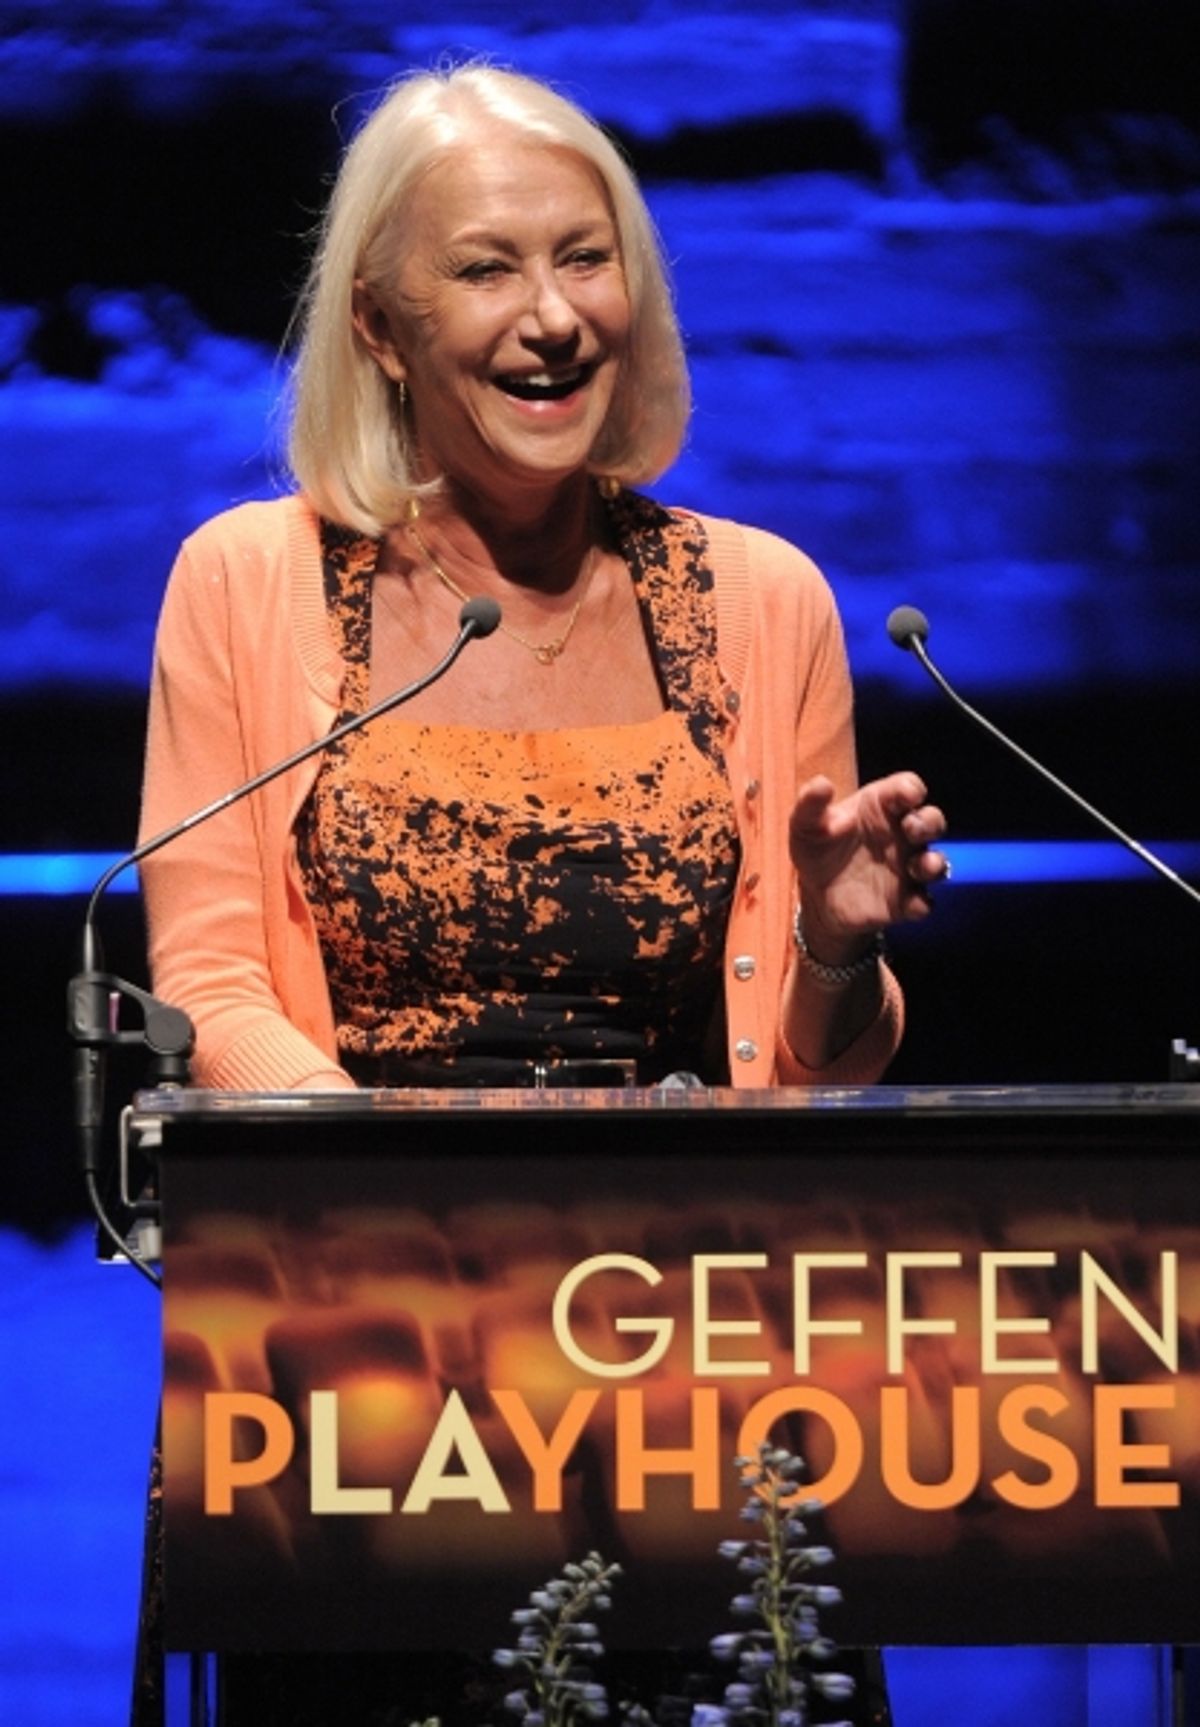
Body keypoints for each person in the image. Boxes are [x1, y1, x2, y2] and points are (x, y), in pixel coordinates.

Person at [134, 61, 946, 1725]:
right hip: (365, 1363)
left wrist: (843, 955)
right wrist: (439, 1226)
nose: (554, 316)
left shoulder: (762, 600)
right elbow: (214, 986)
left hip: (698, 1371)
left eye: (587, 259)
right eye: (489, 267)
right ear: (380, 325)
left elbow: (808, 1067)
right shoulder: (247, 586)